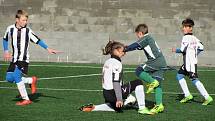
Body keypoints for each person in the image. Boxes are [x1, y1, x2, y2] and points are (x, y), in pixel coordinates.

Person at [2, 10, 60, 106]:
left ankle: (26, 99)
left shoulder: (28, 31)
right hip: (14, 59)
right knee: (9, 78)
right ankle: (31, 80)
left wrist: (48, 48)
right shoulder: (10, 29)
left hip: (23, 59)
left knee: (16, 76)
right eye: (23, 20)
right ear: (17, 20)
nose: (26, 22)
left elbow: (37, 40)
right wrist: (6, 51)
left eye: (26, 20)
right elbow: (5, 39)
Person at [80, 40, 153, 115]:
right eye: (123, 50)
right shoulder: (116, 63)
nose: (125, 52)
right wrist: (119, 98)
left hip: (106, 94)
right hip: (113, 93)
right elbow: (115, 82)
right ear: (116, 51)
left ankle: (95, 108)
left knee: (117, 108)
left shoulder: (107, 61)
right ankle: (142, 108)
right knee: (138, 82)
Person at [124, 24, 167, 114]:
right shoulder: (149, 38)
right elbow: (139, 47)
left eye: (137, 35)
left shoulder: (145, 38)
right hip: (162, 61)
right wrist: (128, 47)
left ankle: (152, 82)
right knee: (158, 85)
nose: (138, 37)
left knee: (138, 70)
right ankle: (159, 105)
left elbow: (136, 45)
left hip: (155, 61)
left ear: (140, 33)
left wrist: (125, 49)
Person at [172, 18, 213, 105]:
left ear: (190, 28)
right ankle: (187, 95)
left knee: (194, 79)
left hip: (190, 64)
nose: (183, 28)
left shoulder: (185, 38)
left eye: (185, 27)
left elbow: (182, 50)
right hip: (188, 63)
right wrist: (194, 54)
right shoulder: (195, 38)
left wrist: (175, 50)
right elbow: (201, 47)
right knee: (179, 76)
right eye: (183, 27)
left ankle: (207, 97)